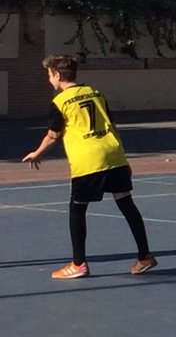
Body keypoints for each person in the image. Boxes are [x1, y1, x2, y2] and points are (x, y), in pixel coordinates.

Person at [22, 54, 158, 278]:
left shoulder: (60, 102)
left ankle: (78, 264)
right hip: (113, 154)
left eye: (49, 76)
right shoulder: (95, 93)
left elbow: (53, 135)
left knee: (77, 209)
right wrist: (124, 159)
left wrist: (36, 153)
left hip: (89, 160)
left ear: (57, 75)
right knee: (126, 204)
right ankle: (145, 256)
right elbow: (112, 127)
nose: (49, 80)